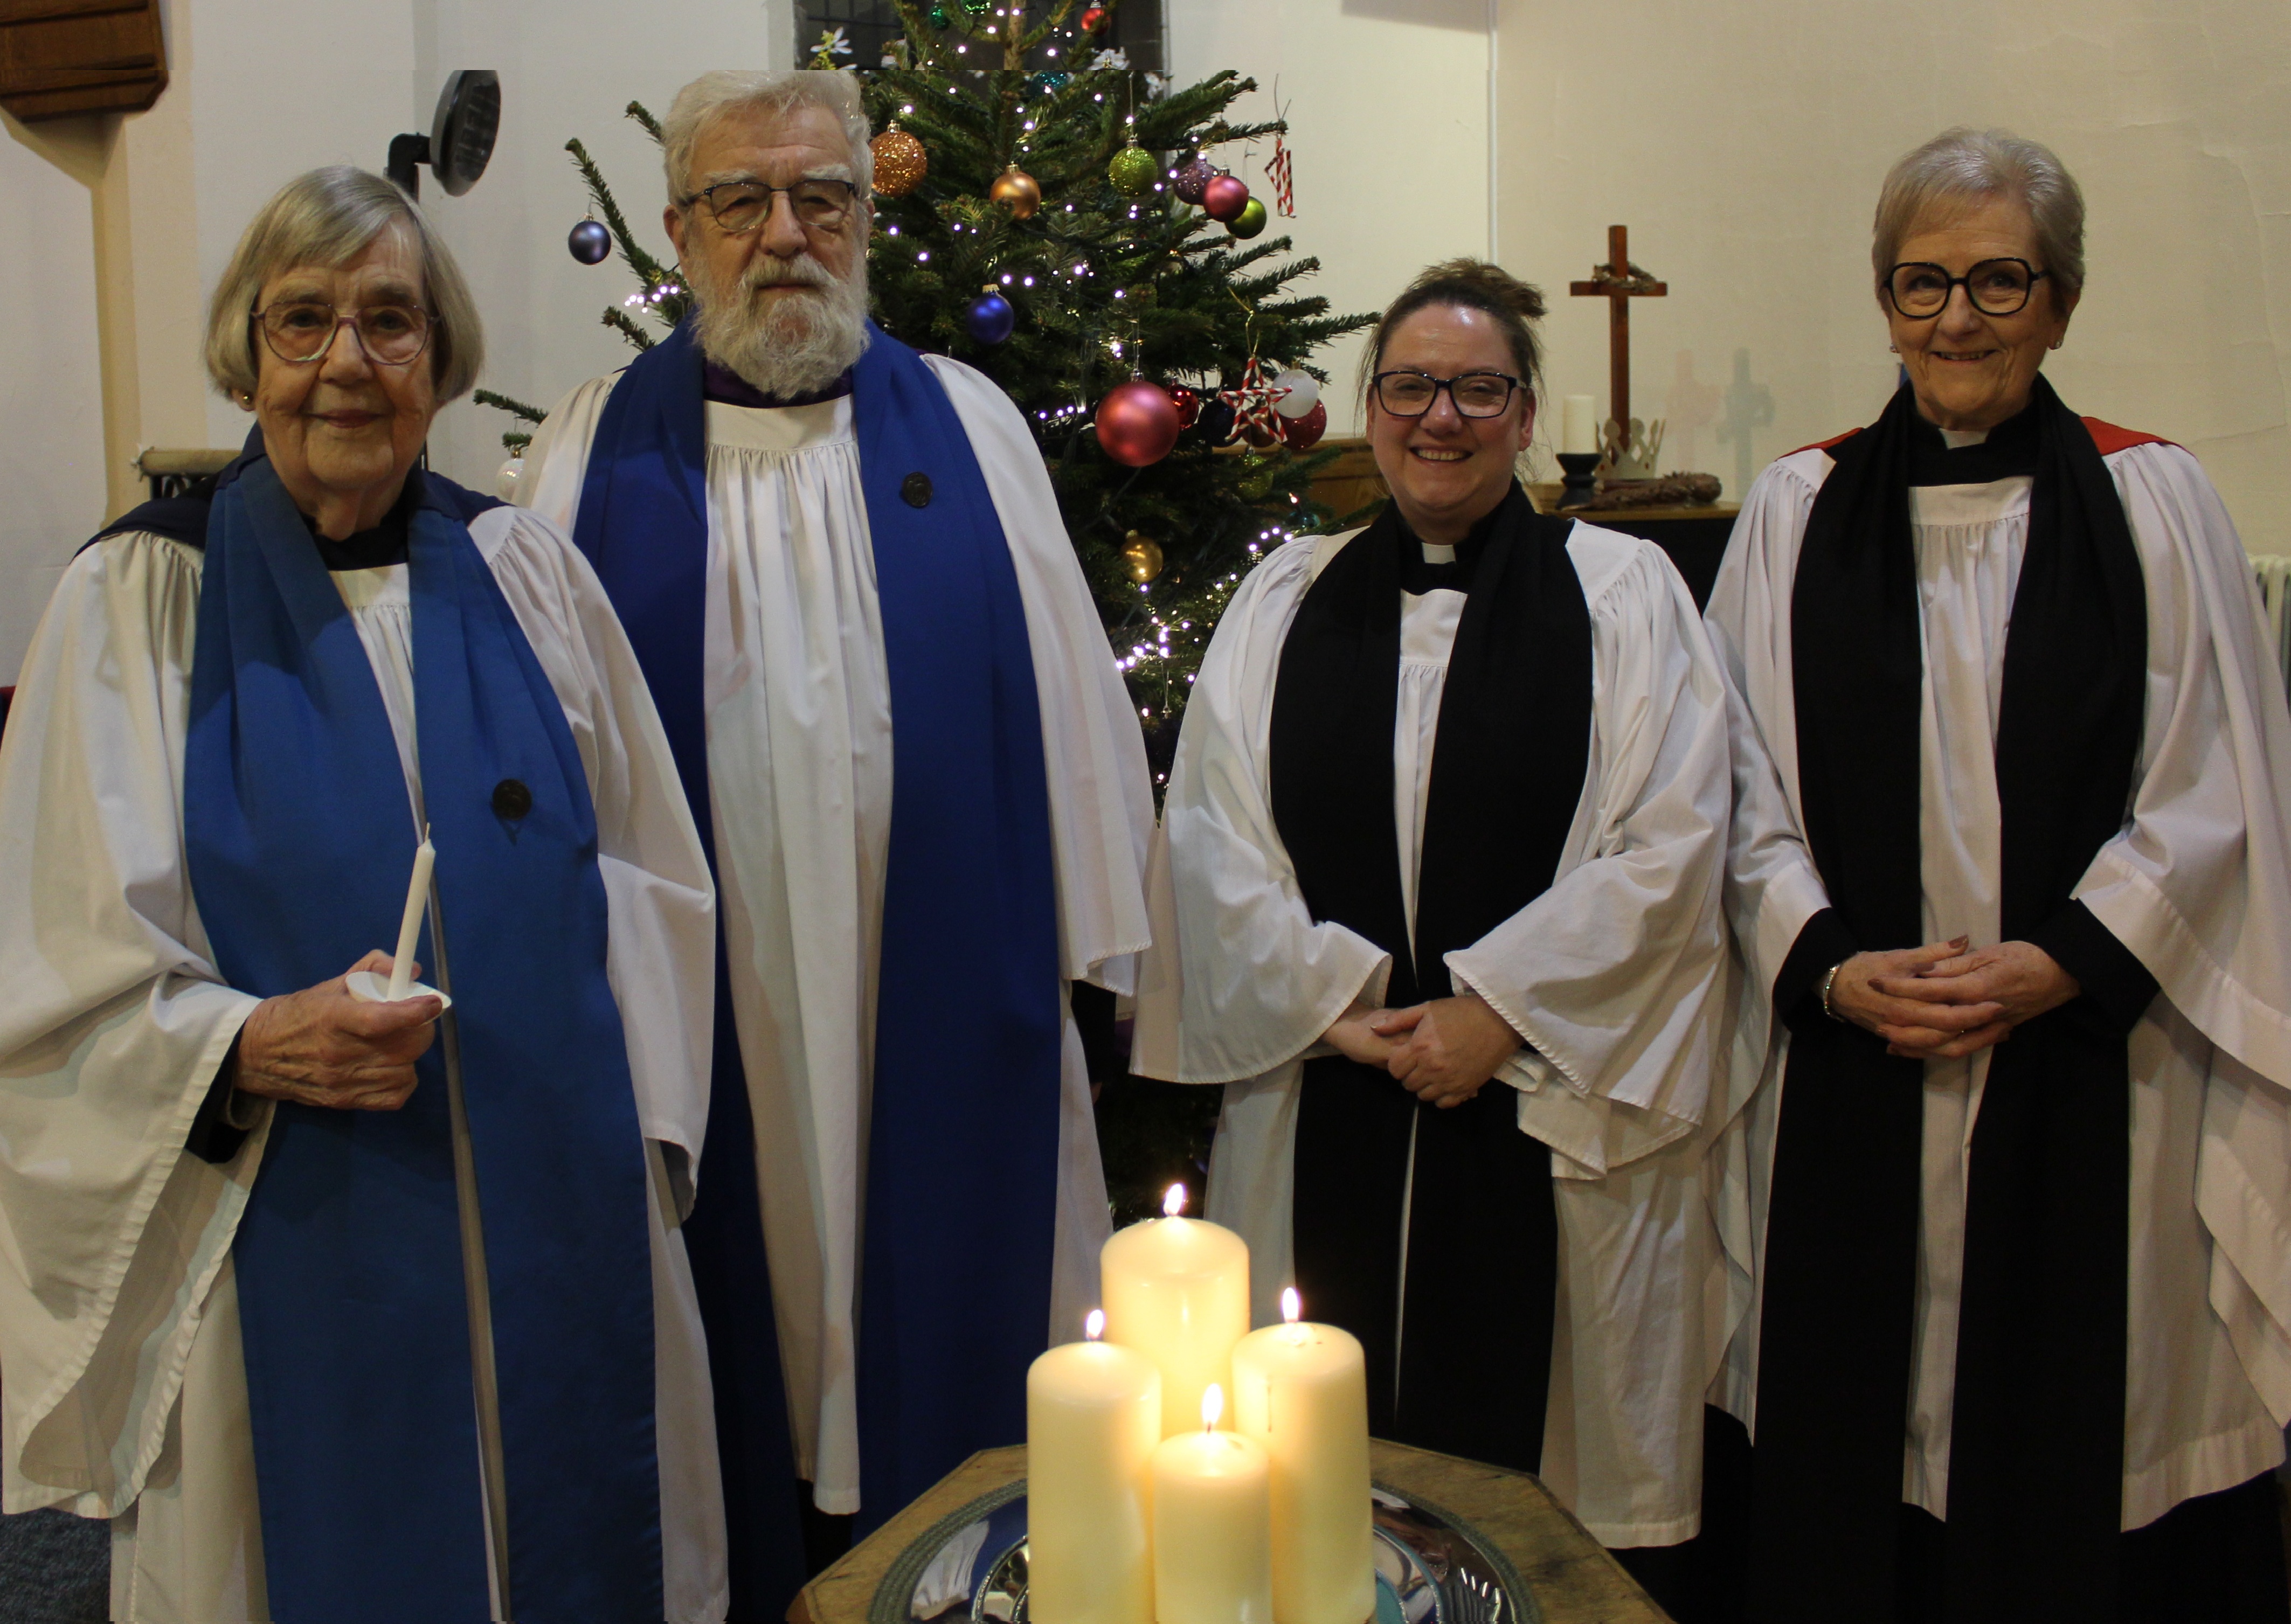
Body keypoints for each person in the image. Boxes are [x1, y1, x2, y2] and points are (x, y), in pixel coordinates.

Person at [0, 167, 728, 1622]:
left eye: (390, 322)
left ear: (440, 361)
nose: (347, 361)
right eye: (304, 320)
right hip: (274, 1215)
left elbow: (654, 885)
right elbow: (61, 950)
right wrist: (242, 1041)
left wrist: (618, 1146)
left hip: (550, 1206)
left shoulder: (529, 577)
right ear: (246, 354)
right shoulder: (139, 603)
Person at [518, 68, 1153, 1602]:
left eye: (824, 200)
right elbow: (537, 754)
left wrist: (1086, 959)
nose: (787, 236)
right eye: (744, 201)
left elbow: (1075, 718)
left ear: (867, 217)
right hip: (715, 1011)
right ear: (680, 231)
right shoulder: (592, 451)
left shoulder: (972, 424)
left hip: (934, 995)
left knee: (952, 1298)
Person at [1706, 127, 2291, 1623]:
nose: (1953, 319)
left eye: (1994, 280)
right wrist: (1827, 959)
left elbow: (2214, 775)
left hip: (2098, 1051)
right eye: (1920, 283)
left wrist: (2065, 959)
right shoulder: (1793, 510)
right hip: (1854, 1045)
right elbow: (1731, 786)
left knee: (2084, 1406)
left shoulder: (2153, 501)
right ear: (1883, 299)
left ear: (2058, 299)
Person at [1129, 260, 1733, 1602]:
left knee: (1537, 1510)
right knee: (1318, 1504)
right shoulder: (1285, 598)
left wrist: (1496, 1011)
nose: (1437, 418)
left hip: (1533, 1099)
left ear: (1523, 414)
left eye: (1474, 388)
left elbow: (1673, 840)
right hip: (1328, 1082)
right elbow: (1215, 839)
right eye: (1407, 386)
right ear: (1371, 406)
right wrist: (1334, 1006)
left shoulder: (1625, 594)